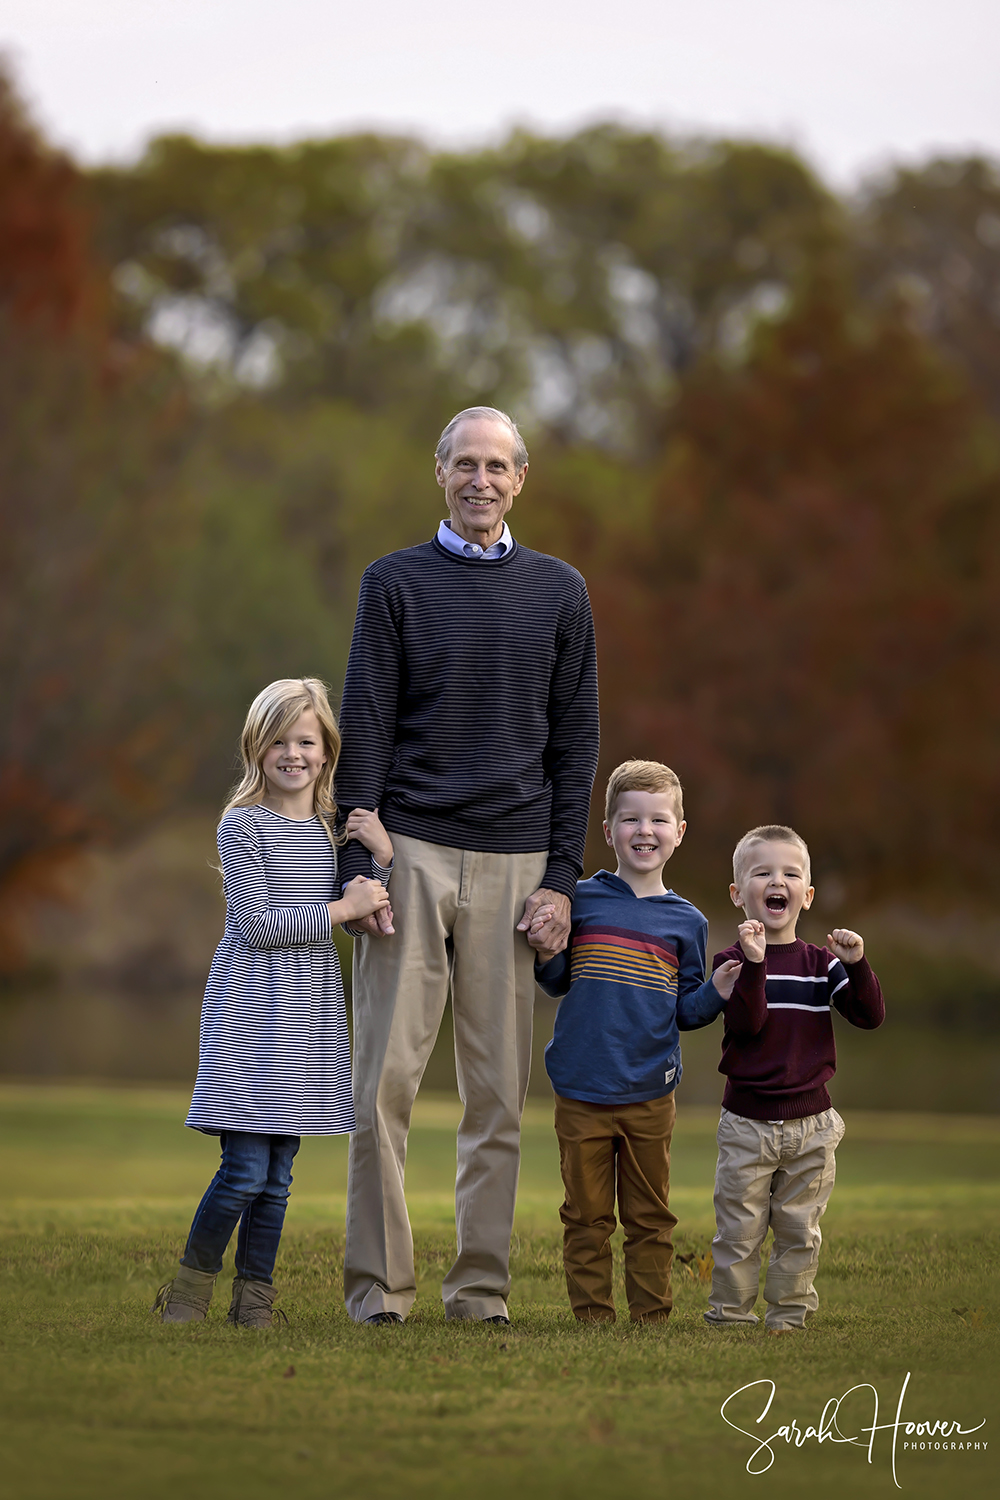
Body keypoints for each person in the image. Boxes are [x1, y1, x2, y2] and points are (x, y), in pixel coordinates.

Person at [335, 406, 600, 1326]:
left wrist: (562, 881)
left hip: (520, 858)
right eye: (465, 464)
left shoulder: (561, 591)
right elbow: (364, 716)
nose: (480, 481)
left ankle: (479, 1290)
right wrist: (352, 868)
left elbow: (577, 743)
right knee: (383, 1089)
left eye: (497, 466)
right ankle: (379, 1290)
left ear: (520, 478)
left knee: (496, 1095)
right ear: (438, 471)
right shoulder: (393, 582)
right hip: (406, 853)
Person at [153, 678, 393, 1328]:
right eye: (279, 741)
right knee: (243, 1171)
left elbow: (364, 914)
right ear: (257, 749)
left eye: (306, 741)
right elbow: (259, 923)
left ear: (326, 750)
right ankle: (186, 1295)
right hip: (252, 1009)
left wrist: (381, 858)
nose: (294, 753)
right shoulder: (242, 824)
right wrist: (342, 906)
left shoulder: (329, 824)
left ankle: (253, 1302)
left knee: (279, 1173)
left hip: (307, 1012)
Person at [534, 760, 728, 1323]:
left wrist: (716, 990)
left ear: (679, 831)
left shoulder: (685, 921)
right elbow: (557, 981)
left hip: (649, 1092)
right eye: (631, 820)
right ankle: (593, 1316)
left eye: (659, 820)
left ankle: (650, 1317)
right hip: (580, 1088)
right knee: (586, 1215)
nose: (645, 831)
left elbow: (686, 1011)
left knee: (650, 1216)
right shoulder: (581, 899)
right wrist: (548, 952)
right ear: (607, 829)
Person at [705, 824, 885, 1333]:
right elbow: (747, 1025)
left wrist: (858, 964)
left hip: (811, 1124)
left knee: (798, 1230)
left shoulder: (820, 964)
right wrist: (755, 965)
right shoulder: (731, 962)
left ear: (805, 895)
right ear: (739, 894)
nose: (775, 881)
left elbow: (868, 1016)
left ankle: (787, 1318)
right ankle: (731, 1317)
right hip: (746, 1124)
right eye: (761, 873)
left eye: (789, 873)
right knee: (738, 1231)